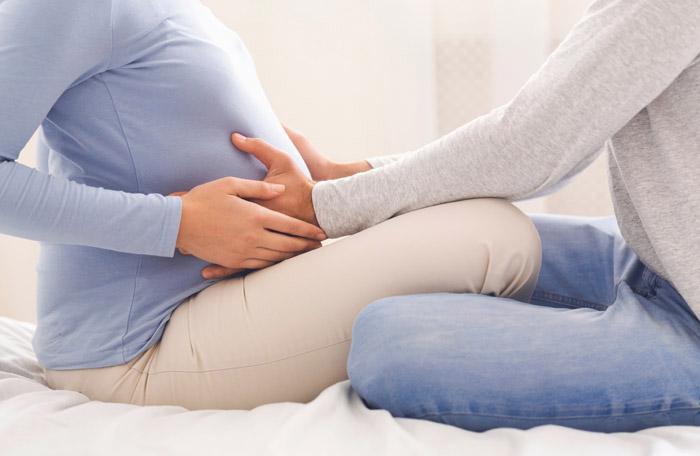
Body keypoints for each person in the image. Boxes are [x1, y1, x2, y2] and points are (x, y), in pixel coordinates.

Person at [0, 0, 540, 410]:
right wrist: (178, 225)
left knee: (497, 224)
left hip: (213, 299)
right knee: (494, 238)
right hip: (135, 346)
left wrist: (321, 182)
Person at [221, 0, 700, 432]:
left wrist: (323, 205)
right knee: (423, 239)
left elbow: (531, 145)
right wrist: (347, 178)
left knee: (391, 346)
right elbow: (547, 130)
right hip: (660, 259)